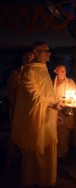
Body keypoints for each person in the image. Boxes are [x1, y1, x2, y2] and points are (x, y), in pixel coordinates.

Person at [11, 41, 63, 187]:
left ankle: (47, 181)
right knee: (36, 152)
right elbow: (32, 95)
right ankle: (33, 181)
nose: (48, 53)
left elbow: (48, 94)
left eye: (48, 50)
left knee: (48, 151)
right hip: (36, 119)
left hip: (48, 117)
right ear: (35, 52)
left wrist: (55, 114)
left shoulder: (43, 69)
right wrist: (51, 104)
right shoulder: (29, 71)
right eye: (44, 50)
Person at [5, 51, 34, 172]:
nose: (29, 59)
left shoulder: (34, 74)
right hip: (17, 109)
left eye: (31, 57)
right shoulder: (16, 73)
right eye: (26, 57)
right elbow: (10, 94)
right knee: (14, 135)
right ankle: (7, 164)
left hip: (30, 110)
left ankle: (26, 165)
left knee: (29, 136)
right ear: (22, 58)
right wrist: (15, 109)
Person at [53, 63, 76, 159]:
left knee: (64, 135)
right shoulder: (51, 82)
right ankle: (55, 155)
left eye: (65, 70)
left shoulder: (70, 82)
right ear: (56, 71)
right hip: (55, 111)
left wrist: (68, 104)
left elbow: (75, 98)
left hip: (66, 111)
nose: (63, 72)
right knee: (55, 134)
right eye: (61, 70)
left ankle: (62, 155)